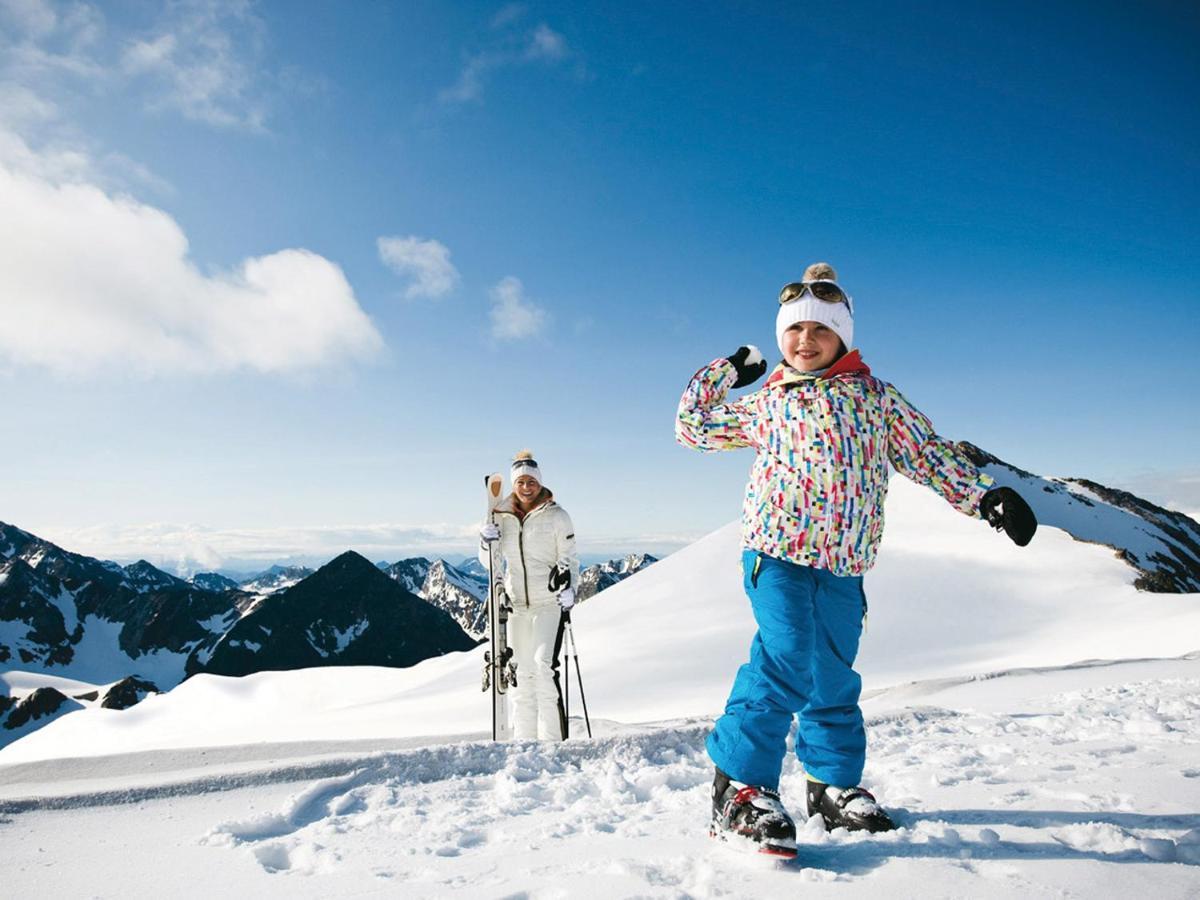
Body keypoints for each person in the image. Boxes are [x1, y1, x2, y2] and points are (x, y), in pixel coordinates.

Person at [675, 262, 1037, 857]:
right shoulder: (769, 402)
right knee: (785, 658)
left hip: (845, 563)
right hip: (777, 555)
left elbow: (927, 453)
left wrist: (983, 495)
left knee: (833, 675)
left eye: (820, 329)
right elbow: (692, 427)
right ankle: (738, 788)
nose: (804, 340)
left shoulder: (876, 400)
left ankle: (831, 787)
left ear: (843, 335)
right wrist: (729, 369)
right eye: (793, 330)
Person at [479, 450, 580, 741]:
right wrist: (484, 542)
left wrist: (571, 589)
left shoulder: (558, 516)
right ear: (514, 485)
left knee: (542, 668)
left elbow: (570, 558)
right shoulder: (502, 517)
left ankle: (553, 743)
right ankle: (524, 743)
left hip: (548, 603)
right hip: (516, 606)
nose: (526, 486)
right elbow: (490, 564)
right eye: (520, 481)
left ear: (539, 483)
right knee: (521, 673)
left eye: (531, 481)